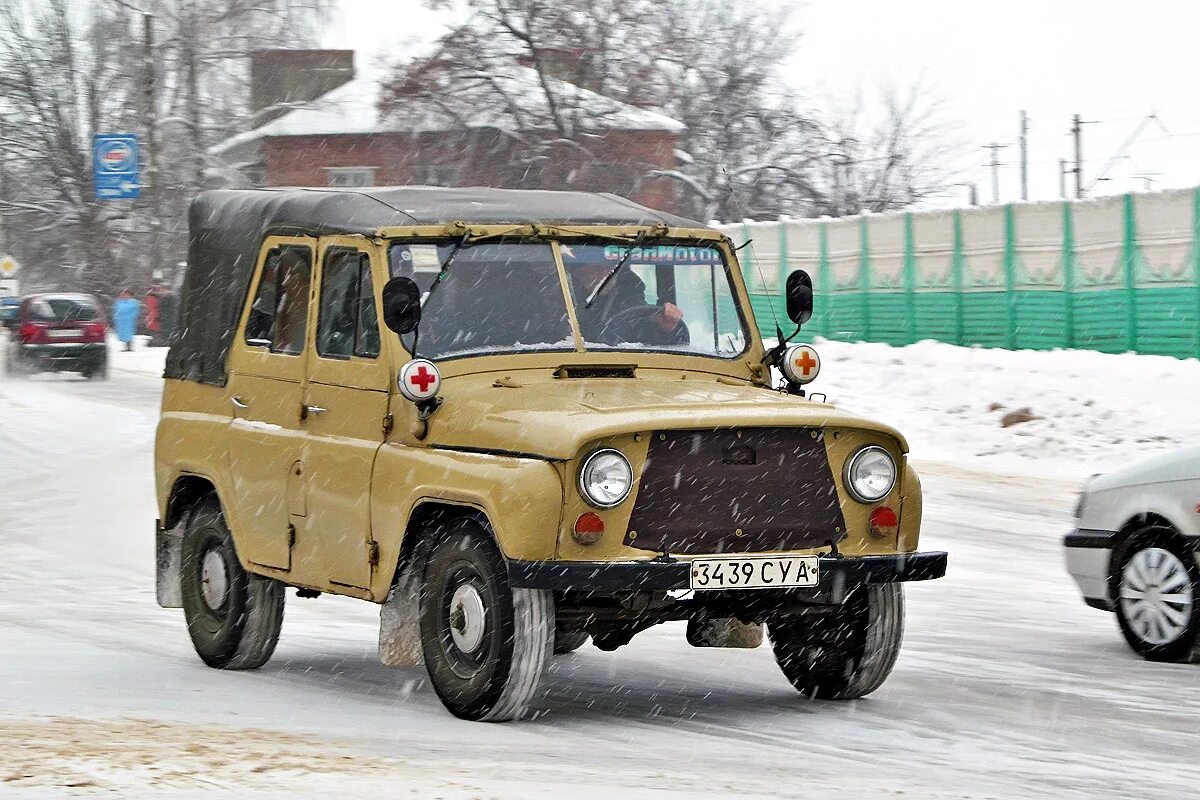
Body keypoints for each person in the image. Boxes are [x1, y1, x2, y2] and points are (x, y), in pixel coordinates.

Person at [570, 262, 688, 347]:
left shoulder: (629, 291)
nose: (606, 272)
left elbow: (639, 328)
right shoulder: (558, 298)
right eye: (595, 267)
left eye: (611, 267)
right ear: (577, 272)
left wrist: (663, 327)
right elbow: (556, 340)